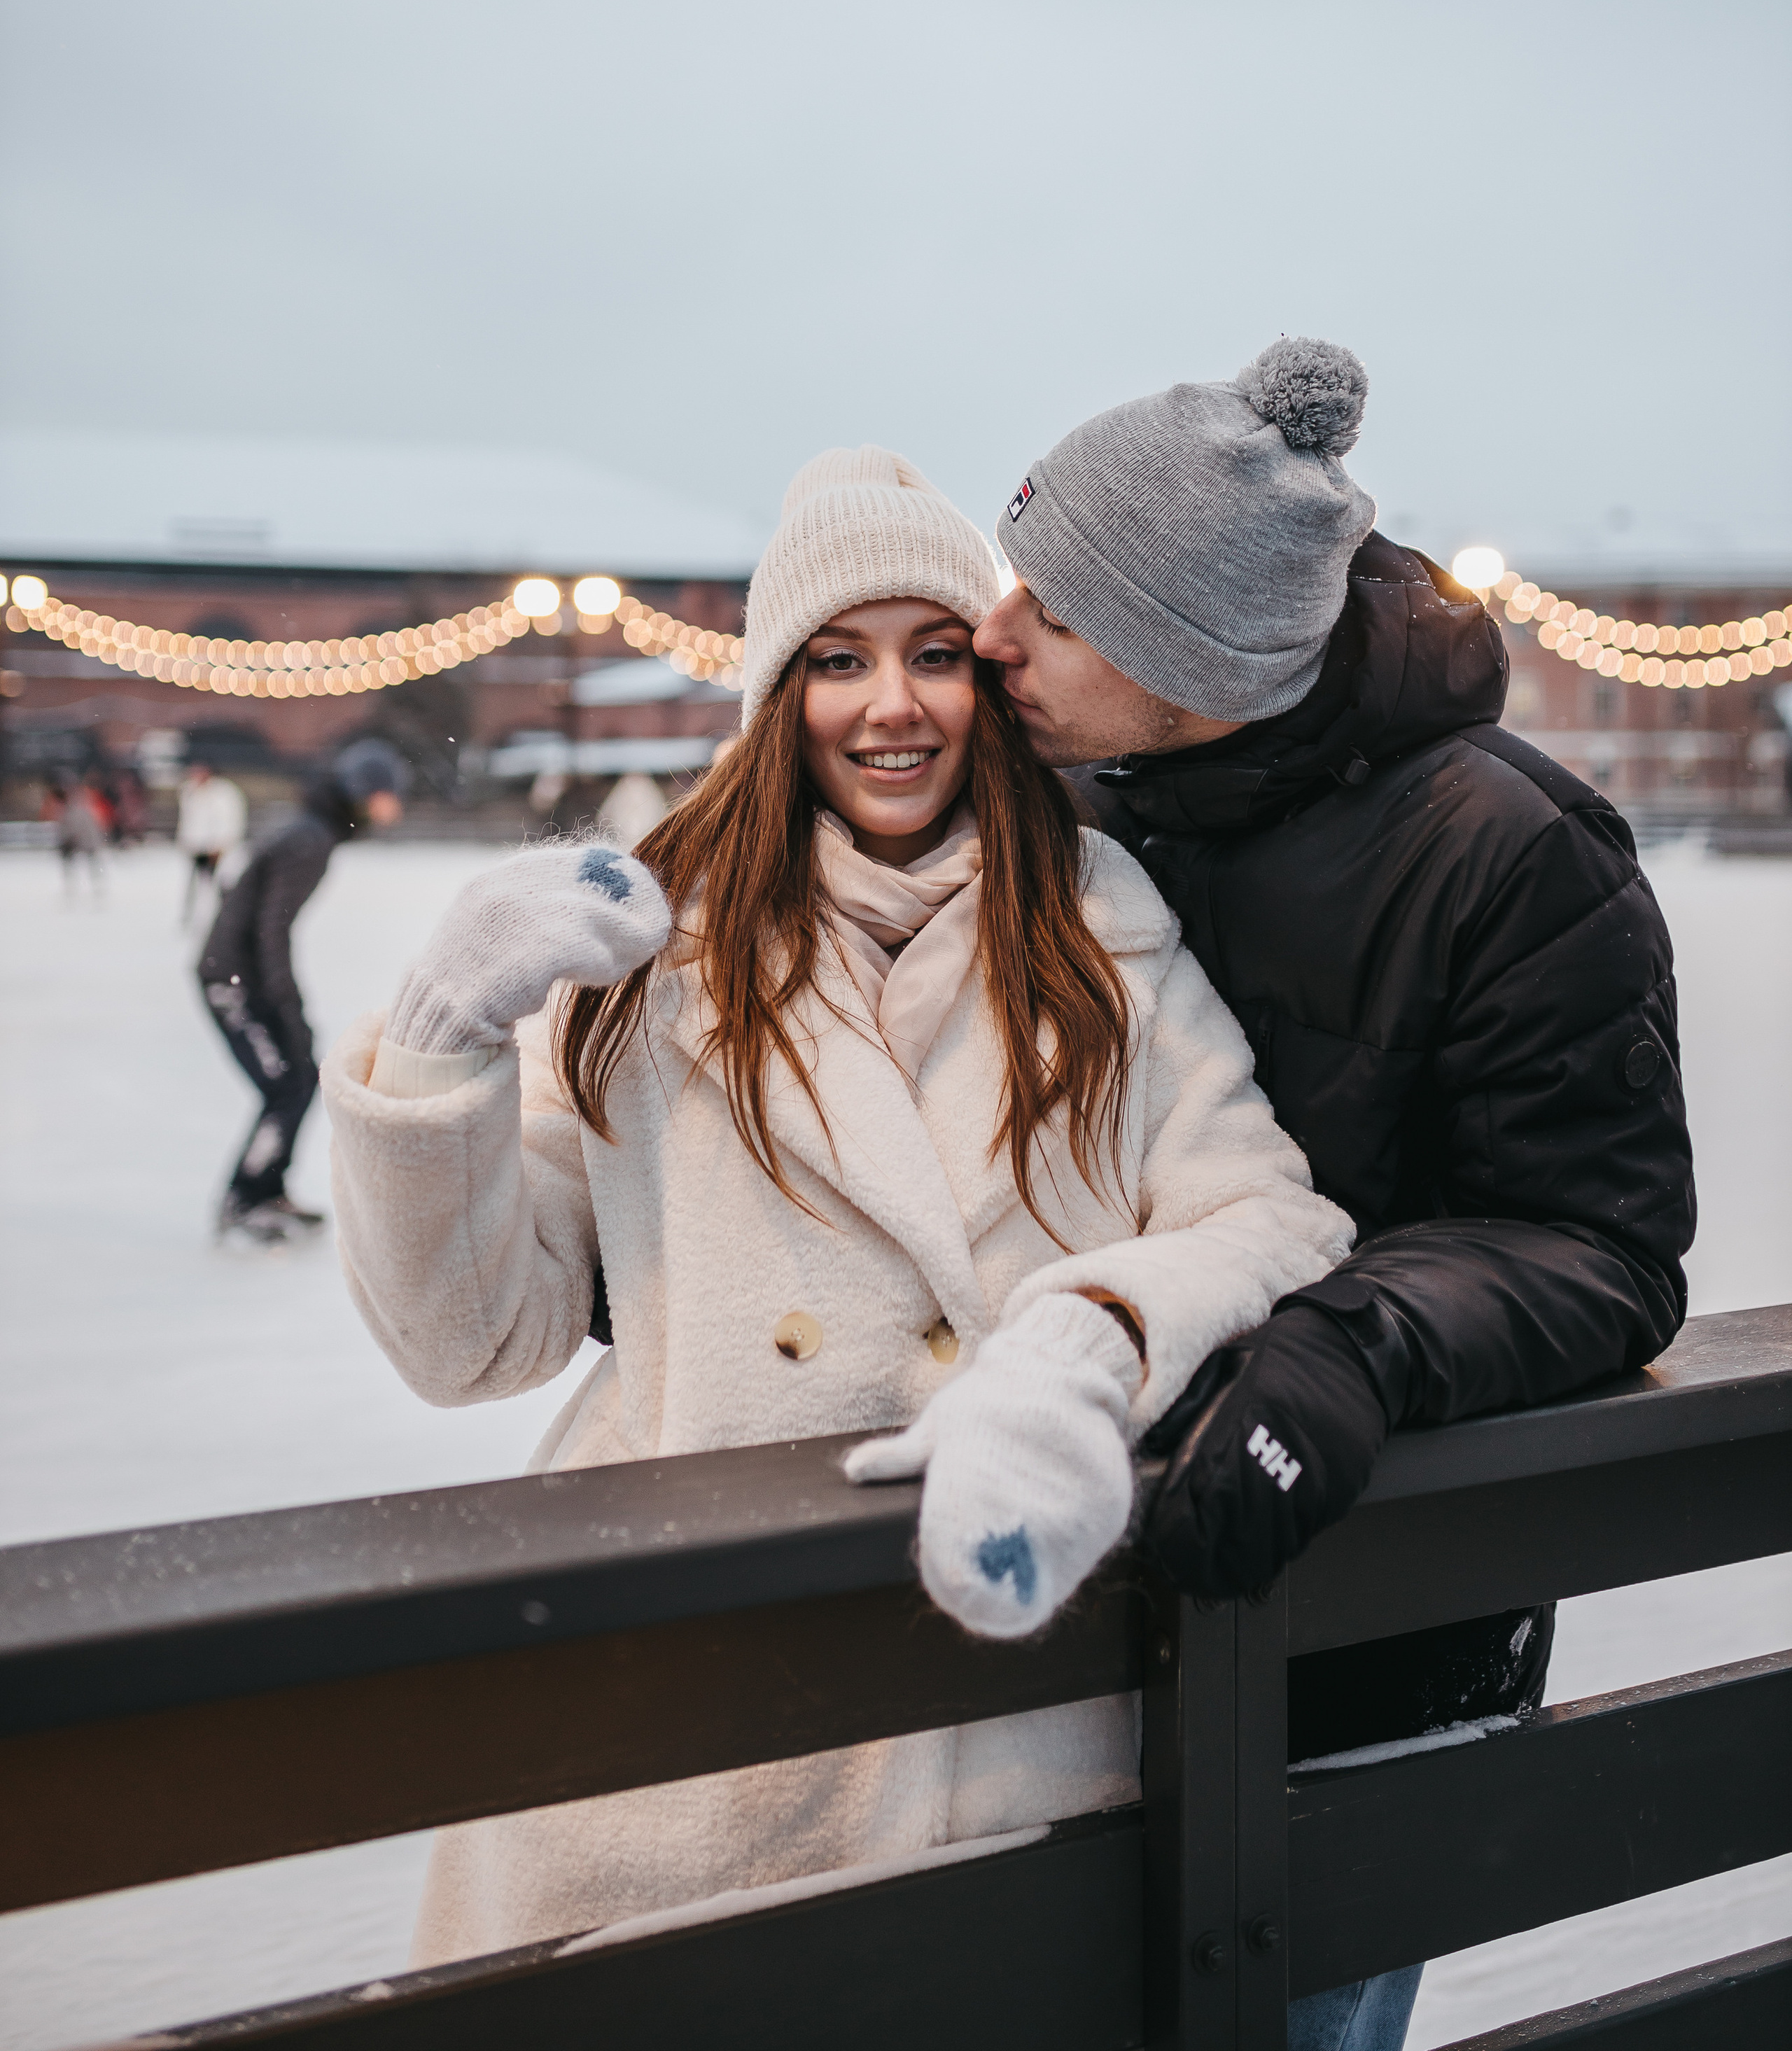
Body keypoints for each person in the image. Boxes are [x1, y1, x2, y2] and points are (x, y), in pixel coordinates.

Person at [323, 447, 1352, 1964]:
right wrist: (437, 1039)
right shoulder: (648, 958)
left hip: (1000, 1711)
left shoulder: (1099, 931)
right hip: (691, 1713)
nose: (892, 706)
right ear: (773, 695)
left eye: (935, 656)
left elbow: (1268, 1219)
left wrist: (1078, 1353)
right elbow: (473, 1343)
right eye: (837, 661)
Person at [976, 337, 1696, 2051]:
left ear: (1192, 658)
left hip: (1365, 1635)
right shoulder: (1063, 809)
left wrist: (1349, 1342)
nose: (990, 635)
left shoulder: (1508, 852)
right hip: (1056, 1642)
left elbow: (1599, 1243)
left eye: (1055, 614)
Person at [201, 738, 407, 1242]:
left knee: (296, 1082)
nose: (395, 807)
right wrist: (286, 1007)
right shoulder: (309, 840)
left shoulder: (312, 832)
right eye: (388, 795)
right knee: (287, 1086)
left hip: (238, 972)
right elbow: (271, 930)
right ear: (363, 793)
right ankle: (245, 1198)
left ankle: (267, 1190)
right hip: (232, 980)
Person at [176, 760, 248, 921]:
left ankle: (220, 918)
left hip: (218, 850)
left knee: (219, 886)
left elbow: (231, 820)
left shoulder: (224, 793)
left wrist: (222, 845)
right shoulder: (189, 792)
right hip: (197, 848)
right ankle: (195, 918)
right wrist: (186, 842)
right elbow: (189, 821)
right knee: (197, 887)